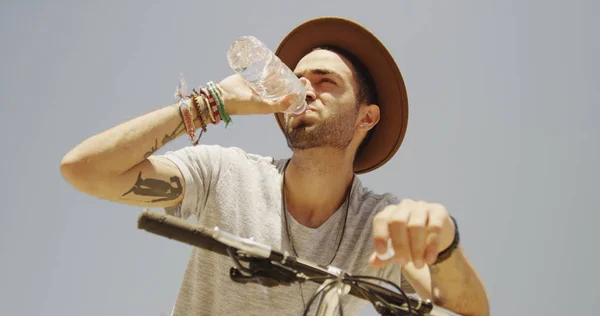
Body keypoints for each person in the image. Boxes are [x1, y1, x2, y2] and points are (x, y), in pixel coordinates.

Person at [60, 17, 489, 316]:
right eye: (297, 80)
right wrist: (210, 104)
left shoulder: (379, 224)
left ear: (366, 117)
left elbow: (464, 313)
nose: (305, 90)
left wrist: (446, 246)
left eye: (325, 81)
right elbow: (84, 169)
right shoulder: (224, 175)